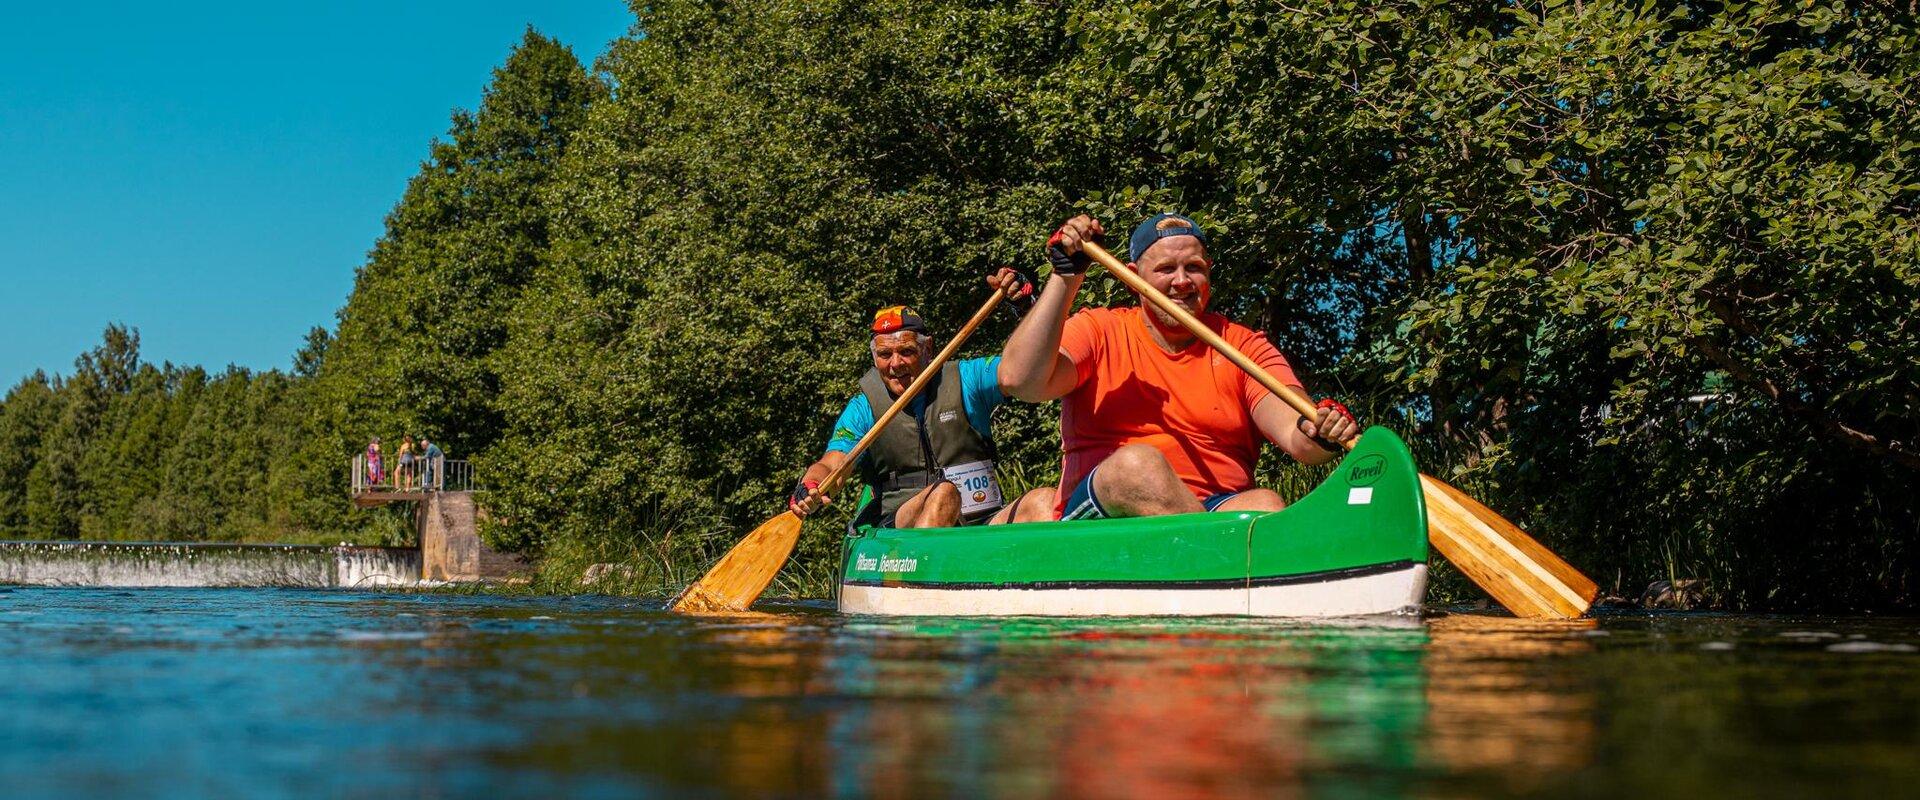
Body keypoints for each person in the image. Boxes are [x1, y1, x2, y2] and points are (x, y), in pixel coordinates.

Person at [997, 213, 1360, 520]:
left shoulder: (1242, 345)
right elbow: (1018, 380)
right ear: (1134, 277)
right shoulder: (1100, 329)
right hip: (1104, 515)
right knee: (1137, 468)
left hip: (1210, 509)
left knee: (1264, 504)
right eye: (1166, 269)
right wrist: (1066, 275)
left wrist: (1319, 430)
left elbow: (1299, 438)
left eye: (1195, 268)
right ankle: (1225, 570)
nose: (1182, 281)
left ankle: (1229, 573)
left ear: (1209, 275)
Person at [789, 291, 1057, 530]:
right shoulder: (863, 407)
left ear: (927, 348)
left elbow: (1024, 371)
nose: (895, 364)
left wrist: (1028, 308)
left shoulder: (968, 379)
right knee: (943, 495)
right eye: (885, 355)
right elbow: (832, 464)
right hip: (900, 526)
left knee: (1044, 501)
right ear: (874, 357)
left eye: (906, 351)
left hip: (980, 522)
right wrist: (812, 485)